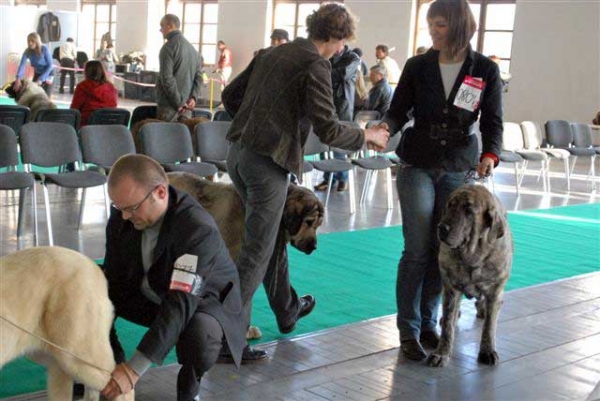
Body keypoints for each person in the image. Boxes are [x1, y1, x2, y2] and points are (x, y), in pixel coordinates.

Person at [222, 3, 389, 362]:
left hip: (238, 154)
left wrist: (258, 124)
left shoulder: (273, 51)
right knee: (254, 254)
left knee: (268, 241)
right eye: (343, 40)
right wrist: (366, 137)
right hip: (266, 164)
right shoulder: (315, 64)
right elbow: (328, 128)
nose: (343, 48)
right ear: (333, 36)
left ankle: (287, 310)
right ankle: (226, 339)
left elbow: (229, 97)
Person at [380, 0, 503, 361]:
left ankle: (432, 321)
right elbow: (397, 108)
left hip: (457, 165)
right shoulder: (418, 66)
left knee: (444, 249)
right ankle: (408, 329)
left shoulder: (484, 69)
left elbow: (493, 120)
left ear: (460, 26)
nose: (432, 31)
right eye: (430, 24)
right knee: (417, 250)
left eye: (440, 25)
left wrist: (491, 155)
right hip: (417, 162)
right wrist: (385, 128)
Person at [100, 154, 245, 401]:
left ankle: (189, 387)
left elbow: (180, 303)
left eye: (132, 208)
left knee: (201, 336)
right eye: (118, 208)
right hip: (151, 292)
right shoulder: (124, 213)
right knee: (92, 292)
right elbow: (111, 277)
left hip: (200, 303)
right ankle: (109, 368)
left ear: (160, 193)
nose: (124, 217)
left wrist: (135, 370)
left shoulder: (197, 229)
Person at [314, 45, 361, 192]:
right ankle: (328, 179)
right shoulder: (328, 56)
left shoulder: (352, 58)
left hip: (342, 107)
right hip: (327, 103)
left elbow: (342, 74)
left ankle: (342, 178)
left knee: (338, 144)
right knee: (323, 142)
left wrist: (320, 72)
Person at [155, 14, 203, 122]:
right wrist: (193, 98)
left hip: (169, 108)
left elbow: (167, 79)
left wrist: (179, 103)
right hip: (187, 109)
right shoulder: (194, 51)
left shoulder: (168, 48)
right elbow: (199, 78)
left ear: (170, 26)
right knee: (183, 138)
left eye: (162, 26)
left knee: (165, 138)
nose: (160, 30)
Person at [70, 60, 118, 126]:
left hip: (86, 126)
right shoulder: (111, 87)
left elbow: (74, 109)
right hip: (108, 126)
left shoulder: (82, 86)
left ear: (86, 72)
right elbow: (114, 106)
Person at [14, 32, 55, 97]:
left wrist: (41, 79)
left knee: (46, 96)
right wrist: (18, 78)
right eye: (28, 41)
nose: (30, 43)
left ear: (37, 41)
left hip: (49, 74)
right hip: (37, 73)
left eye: (32, 41)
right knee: (33, 94)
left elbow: (50, 65)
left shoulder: (44, 49)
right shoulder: (27, 51)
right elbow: (22, 65)